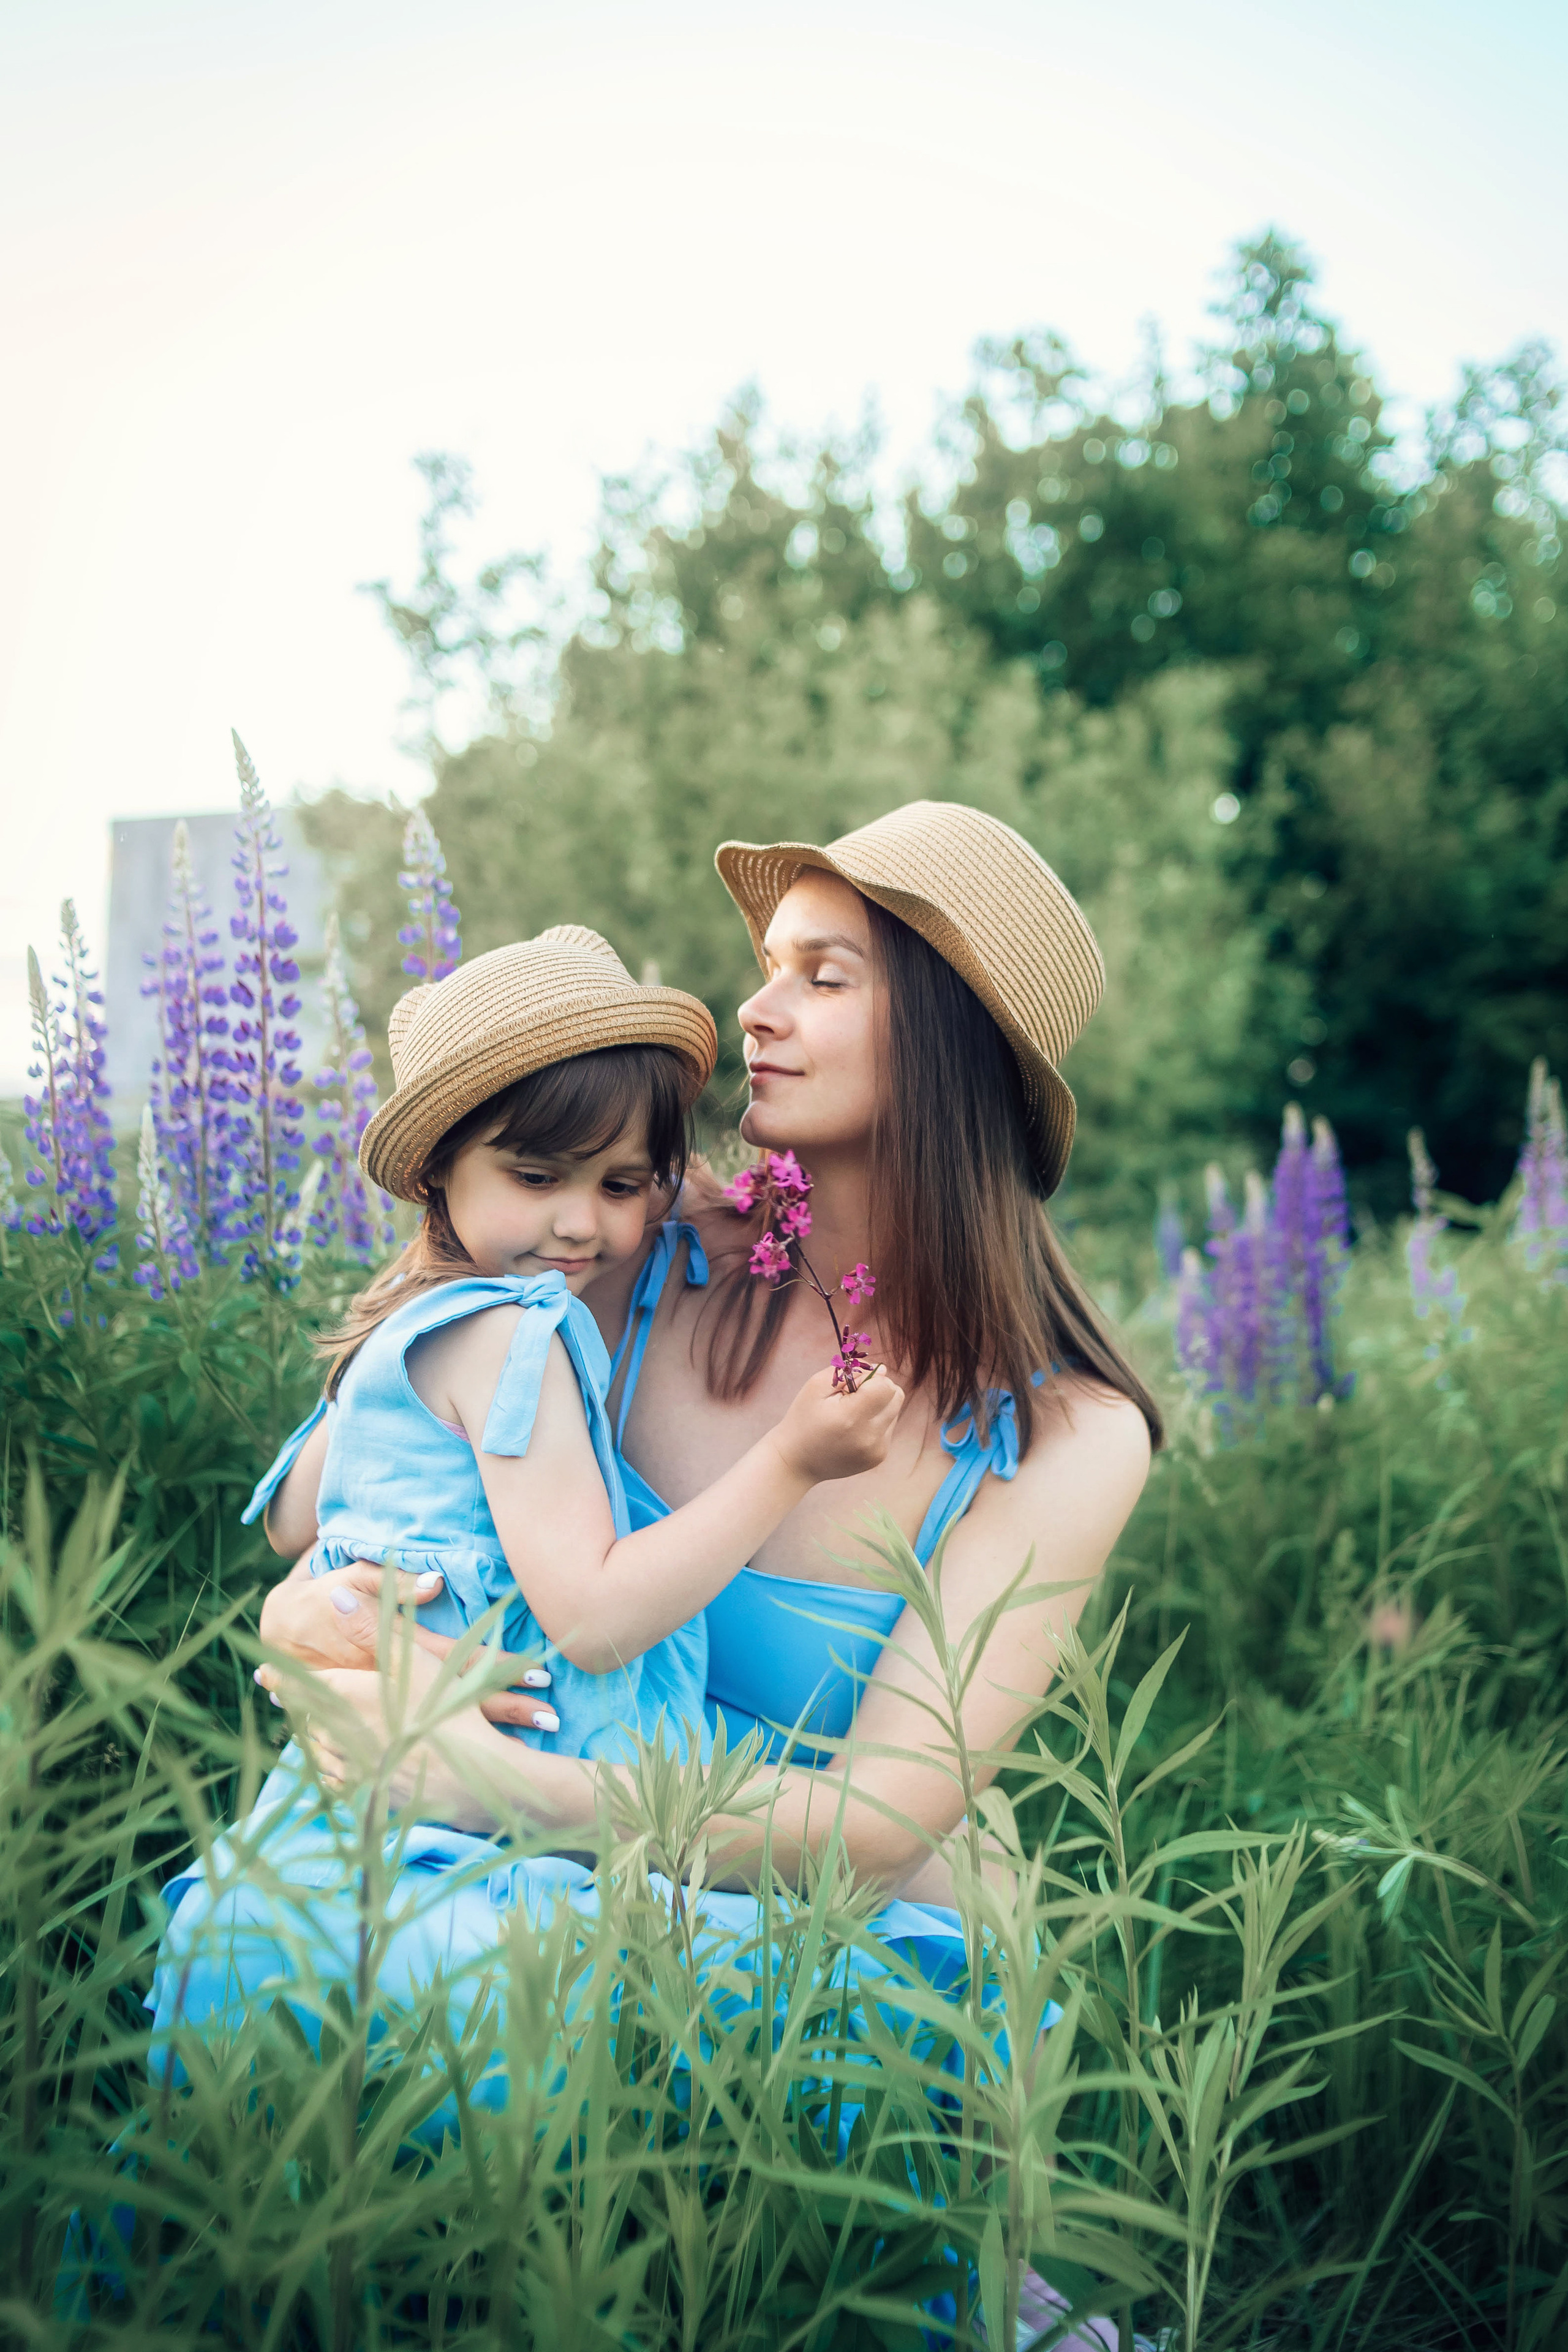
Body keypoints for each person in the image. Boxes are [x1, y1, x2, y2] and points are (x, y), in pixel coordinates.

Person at [193, 805, 1161, 2346]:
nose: (753, 1010)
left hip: (824, 1914)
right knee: (263, 1956)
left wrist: (483, 1785)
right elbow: (361, 1483)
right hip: (547, 1865)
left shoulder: (1062, 1430)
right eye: (768, 965)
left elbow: (882, 1818)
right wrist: (309, 1622)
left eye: (823, 976)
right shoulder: (633, 1238)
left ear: (951, 1046)